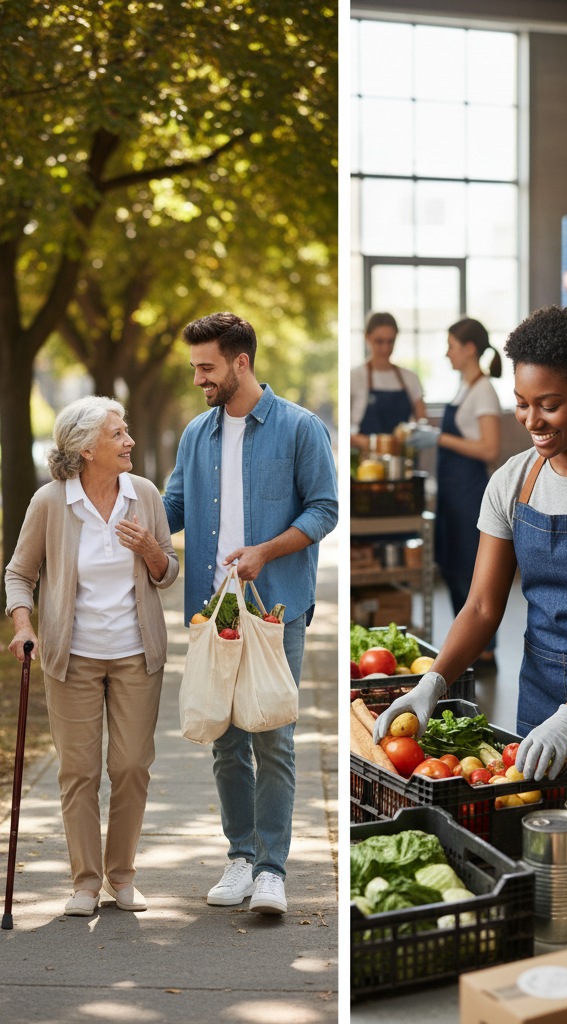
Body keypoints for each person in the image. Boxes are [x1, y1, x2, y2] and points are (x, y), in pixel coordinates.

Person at [377, 305, 567, 816]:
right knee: (540, 851)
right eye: (521, 403)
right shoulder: (511, 483)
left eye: (550, 405)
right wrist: (433, 682)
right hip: (539, 698)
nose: (532, 421)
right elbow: (480, 608)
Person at [163, 312, 338, 915]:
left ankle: (272, 870)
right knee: (224, 738)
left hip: (274, 610)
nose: (199, 380)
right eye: (194, 369)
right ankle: (240, 856)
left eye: (207, 368)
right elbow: (174, 507)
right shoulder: (196, 433)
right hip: (214, 614)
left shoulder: (299, 428)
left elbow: (324, 511)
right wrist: (128, 521)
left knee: (273, 737)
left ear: (241, 362)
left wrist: (267, 549)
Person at [5, 397, 178, 917]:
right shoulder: (51, 503)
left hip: (135, 653)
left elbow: (168, 570)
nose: (128, 442)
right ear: (86, 448)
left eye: (127, 433)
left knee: (130, 766)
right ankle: (85, 881)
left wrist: (150, 548)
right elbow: (19, 573)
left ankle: (121, 877)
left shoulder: (143, 495)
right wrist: (23, 624)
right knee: (78, 771)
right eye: (118, 435)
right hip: (72, 656)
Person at [408, 318, 502, 666]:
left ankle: (486, 652)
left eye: (451, 345)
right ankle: (471, 646)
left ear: (469, 349)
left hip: (471, 496)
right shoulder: (465, 388)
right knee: (452, 569)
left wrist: (438, 438)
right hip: (451, 496)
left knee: (470, 573)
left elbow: (490, 449)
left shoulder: (484, 392)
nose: (447, 353)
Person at [350, 312, 427, 450]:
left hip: (403, 459)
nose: (385, 348)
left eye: (390, 341)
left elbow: (422, 420)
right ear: (367, 337)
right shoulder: (354, 377)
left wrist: (414, 433)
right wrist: (369, 442)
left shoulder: (410, 378)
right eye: (379, 341)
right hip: (365, 463)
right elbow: (344, 429)